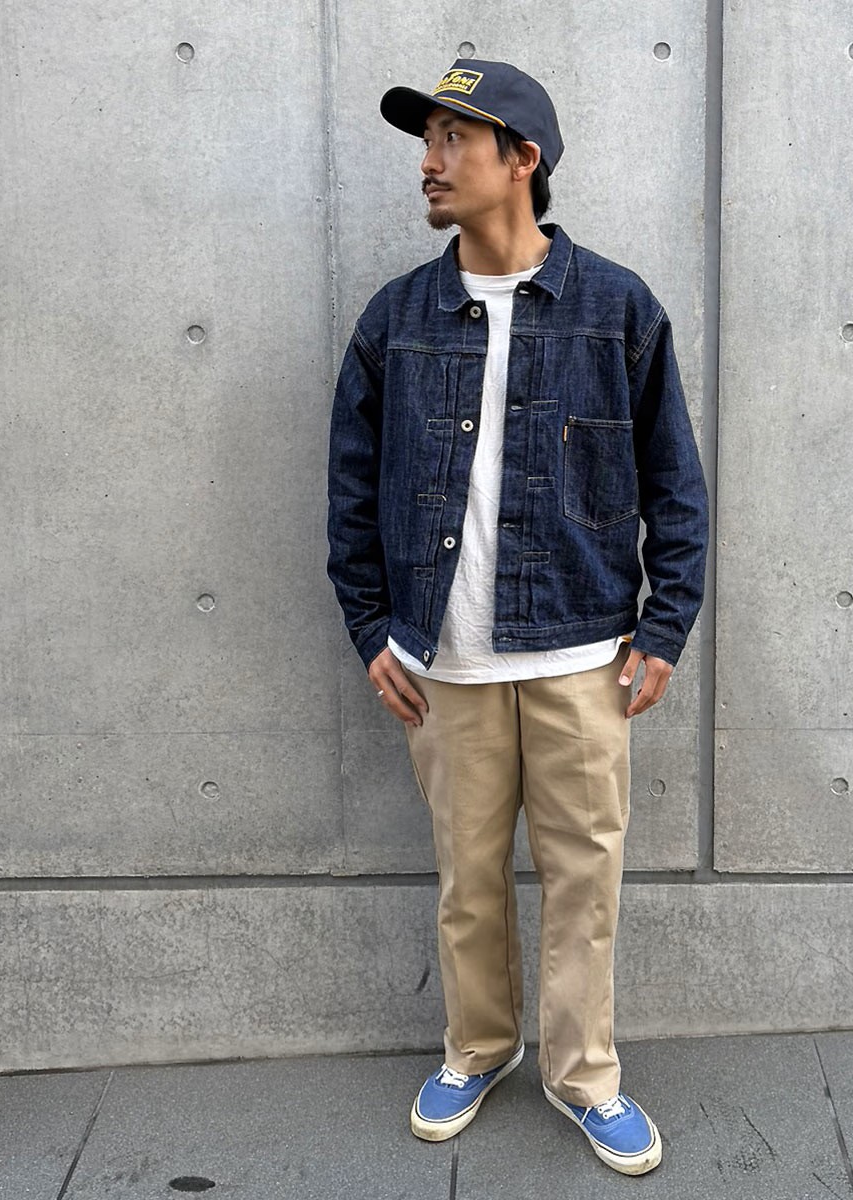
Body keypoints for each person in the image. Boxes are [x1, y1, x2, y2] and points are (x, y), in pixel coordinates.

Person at [326, 58, 707, 1176]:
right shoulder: (397, 318)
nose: (429, 161)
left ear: (522, 159)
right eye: (426, 140)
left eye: (455, 137)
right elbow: (351, 489)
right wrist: (369, 628)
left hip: (585, 653)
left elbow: (676, 485)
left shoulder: (616, 308)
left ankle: (584, 1074)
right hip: (442, 660)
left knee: (587, 879)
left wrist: (664, 628)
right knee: (468, 879)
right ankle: (478, 1047)